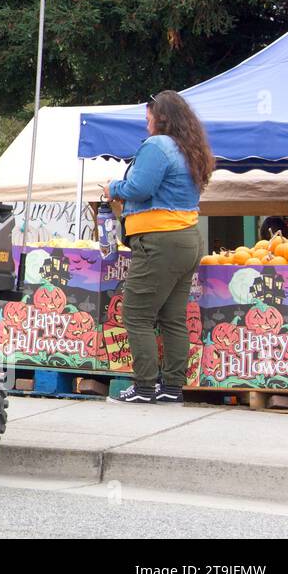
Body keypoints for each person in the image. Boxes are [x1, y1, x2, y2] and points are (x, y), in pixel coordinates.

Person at [103, 90, 213, 404]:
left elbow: (140, 187)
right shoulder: (187, 147)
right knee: (173, 318)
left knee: (136, 314)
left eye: (149, 114)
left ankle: (144, 387)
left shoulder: (157, 145)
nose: (146, 120)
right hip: (188, 239)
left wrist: (113, 188)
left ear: (160, 117)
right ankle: (172, 388)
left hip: (160, 242)